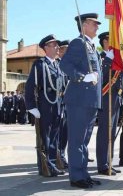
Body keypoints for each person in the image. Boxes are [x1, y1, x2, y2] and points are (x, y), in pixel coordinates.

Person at [60, 13, 102, 188]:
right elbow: (65, 65)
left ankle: (83, 174)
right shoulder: (79, 43)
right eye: (94, 24)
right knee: (77, 139)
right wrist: (82, 77)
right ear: (84, 25)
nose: (97, 27)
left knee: (84, 140)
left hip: (90, 100)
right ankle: (76, 177)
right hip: (79, 99)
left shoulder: (92, 46)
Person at [25, 34, 65, 177]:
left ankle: (53, 164)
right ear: (46, 48)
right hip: (45, 105)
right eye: (54, 45)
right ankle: (45, 166)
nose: (57, 47)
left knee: (55, 136)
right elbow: (30, 86)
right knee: (45, 137)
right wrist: (31, 107)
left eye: (57, 45)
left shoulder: (59, 64)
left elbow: (62, 86)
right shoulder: (40, 64)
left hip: (58, 105)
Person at [96, 31, 123, 176]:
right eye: (111, 41)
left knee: (112, 133)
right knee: (104, 132)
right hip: (106, 99)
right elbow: (101, 79)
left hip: (116, 99)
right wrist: (109, 60)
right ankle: (102, 164)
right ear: (105, 43)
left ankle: (109, 162)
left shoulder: (117, 60)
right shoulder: (101, 59)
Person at [56, 39, 70, 169]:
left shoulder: (69, 65)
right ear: (59, 51)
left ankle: (62, 155)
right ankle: (58, 156)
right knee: (58, 133)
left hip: (68, 104)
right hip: (58, 104)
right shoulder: (57, 65)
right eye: (65, 50)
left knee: (65, 132)